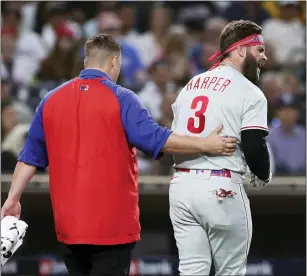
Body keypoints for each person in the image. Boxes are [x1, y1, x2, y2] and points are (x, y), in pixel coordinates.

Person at [1, 34, 237, 276]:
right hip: (112, 227)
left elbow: (29, 157)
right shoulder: (122, 98)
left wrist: (12, 198)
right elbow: (159, 139)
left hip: (69, 226)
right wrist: (207, 144)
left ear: (86, 62)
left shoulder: (50, 100)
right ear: (114, 62)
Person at [169, 20, 272, 275]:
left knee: (192, 270)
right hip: (220, 188)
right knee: (232, 271)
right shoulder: (249, 91)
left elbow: (173, 140)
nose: (264, 57)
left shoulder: (189, 87)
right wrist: (263, 172)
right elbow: (254, 145)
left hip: (181, 188)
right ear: (240, 50)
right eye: (259, 50)